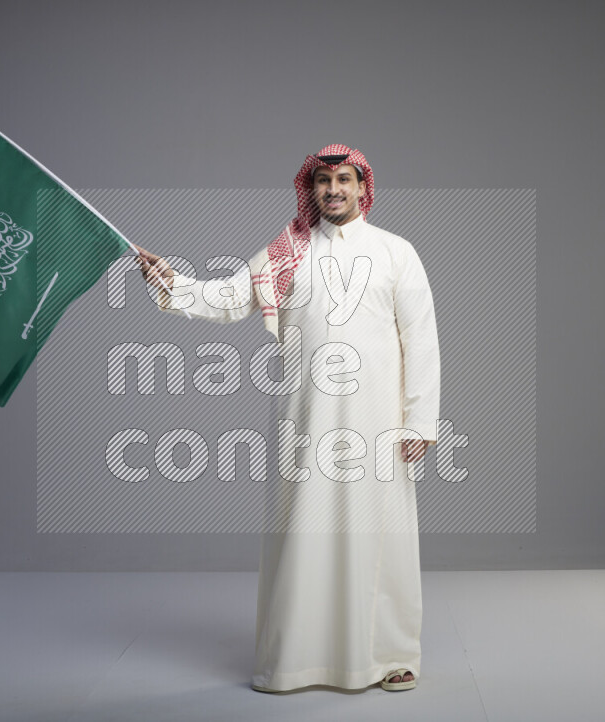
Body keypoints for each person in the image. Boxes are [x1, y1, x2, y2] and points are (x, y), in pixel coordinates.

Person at [134, 144, 440, 693]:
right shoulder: (286, 252)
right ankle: (296, 659)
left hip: (378, 424)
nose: (333, 190)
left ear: (363, 188)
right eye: (323, 181)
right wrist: (171, 281)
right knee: (302, 532)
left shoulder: (398, 253)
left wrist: (420, 421)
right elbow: (227, 298)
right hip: (305, 420)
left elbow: (421, 341)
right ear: (311, 189)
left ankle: (392, 654)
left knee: (382, 535)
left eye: (344, 180)